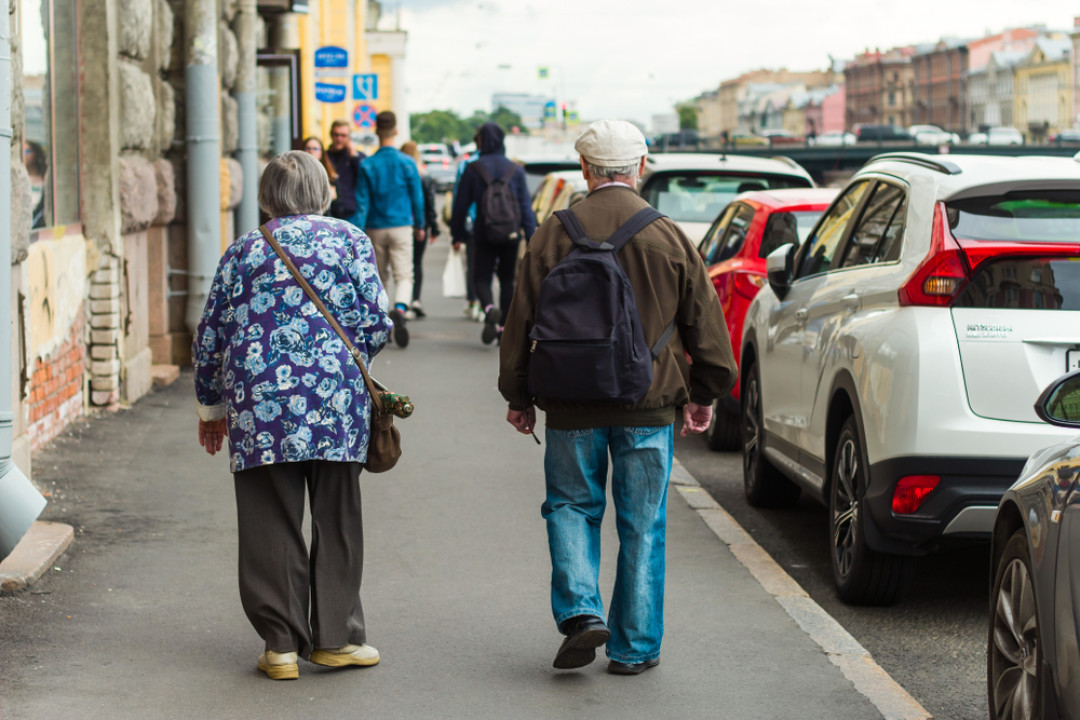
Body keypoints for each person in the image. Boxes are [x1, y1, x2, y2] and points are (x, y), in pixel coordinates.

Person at [498, 120, 737, 675]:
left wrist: (518, 394)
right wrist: (704, 394)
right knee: (642, 524)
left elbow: (520, 321)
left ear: (584, 168)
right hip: (648, 406)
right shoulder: (669, 235)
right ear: (641, 167)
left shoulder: (553, 234)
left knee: (571, 507)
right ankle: (633, 649)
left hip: (569, 405)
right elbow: (707, 329)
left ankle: (582, 612)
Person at [192, 150, 393, 681]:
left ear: (266, 197)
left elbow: (210, 335)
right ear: (323, 192)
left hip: (259, 406)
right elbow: (376, 321)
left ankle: (280, 645)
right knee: (338, 519)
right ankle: (336, 640)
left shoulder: (242, 251)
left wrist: (212, 408)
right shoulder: (350, 241)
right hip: (334, 403)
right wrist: (345, 362)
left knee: (268, 520)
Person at [450, 122, 536, 345]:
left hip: (484, 232)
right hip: (511, 234)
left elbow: (460, 206)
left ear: (481, 141)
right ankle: (502, 328)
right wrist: (530, 235)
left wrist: (456, 235)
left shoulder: (473, 168)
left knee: (481, 277)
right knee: (507, 280)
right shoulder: (515, 170)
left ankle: (489, 309)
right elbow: (526, 206)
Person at [352, 111, 425, 348]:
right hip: (402, 225)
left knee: (379, 276)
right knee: (404, 275)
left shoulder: (368, 164)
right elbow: (417, 197)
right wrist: (420, 224)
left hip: (375, 227)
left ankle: (382, 321)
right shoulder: (406, 163)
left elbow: (362, 202)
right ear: (395, 131)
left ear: (376, 132)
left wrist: (358, 232)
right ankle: (401, 309)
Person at [400, 140, 440, 318]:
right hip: (420, 225)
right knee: (417, 263)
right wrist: (433, 227)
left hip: (402, 224)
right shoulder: (423, 175)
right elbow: (429, 203)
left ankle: (404, 303)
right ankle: (416, 299)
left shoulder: (399, 176)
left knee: (404, 266)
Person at [324, 120, 365, 223]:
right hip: (330, 213)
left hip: (353, 213)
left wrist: (354, 156)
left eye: (343, 136)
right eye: (336, 135)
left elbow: (364, 178)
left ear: (349, 137)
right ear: (331, 135)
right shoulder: (326, 157)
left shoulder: (357, 157)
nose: (339, 139)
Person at [302, 136, 338, 206]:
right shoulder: (296, 173)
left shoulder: (331, 176)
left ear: (321, 152)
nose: (311, 151)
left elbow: (340, 208)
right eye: (308, 148)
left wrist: (332, 197)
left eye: (315, 149)